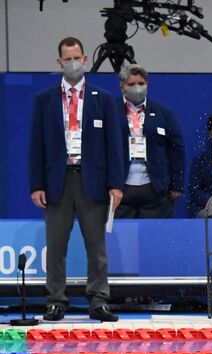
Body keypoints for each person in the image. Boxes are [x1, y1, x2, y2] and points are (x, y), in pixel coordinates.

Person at [28, 36, 124, 323]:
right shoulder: (44, 100)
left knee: (96, 246)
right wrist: (36, 184)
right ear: (59, 62)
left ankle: (99, 301)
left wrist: (116, 184)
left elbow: (114, 145)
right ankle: (56, 300)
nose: (72, 63)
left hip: (92, 179)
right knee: (56, 245)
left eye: (77, 58)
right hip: (57, 181)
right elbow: (36, 144)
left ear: (85, 60)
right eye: (66, 59)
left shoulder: (103, 99)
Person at [115, 65, 185, 220]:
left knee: (154, 238)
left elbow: (176, 149)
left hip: (155, 187)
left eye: (141, 83)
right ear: (122, 88)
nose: (137, 88)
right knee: (123, 239)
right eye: (131, 84)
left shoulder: (164, 113)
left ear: (147, 85)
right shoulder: (110, 111)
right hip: (121, 187)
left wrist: (177, 184)